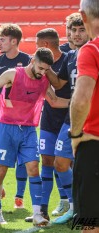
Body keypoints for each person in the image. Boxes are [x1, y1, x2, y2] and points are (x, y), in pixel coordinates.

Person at [0, 48, 69, 226]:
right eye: (41, 68)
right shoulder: (13, 74)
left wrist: (79, 101)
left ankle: (37, 214)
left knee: (34, 168)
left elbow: (55, 101)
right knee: (0, 171)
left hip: (28, 130)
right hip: (6, 128)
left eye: (46, 70)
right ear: (33, 60)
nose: (43, 73)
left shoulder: (43, 81)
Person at [45, 13, 89, 225]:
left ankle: (86, 209)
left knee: (89, 165)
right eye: (74, 30)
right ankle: (73, 207)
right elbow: (60, 82)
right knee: (60, 163)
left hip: (91, 117)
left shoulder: (94, 52)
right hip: (71, 117)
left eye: (81, 30)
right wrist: (43, 68)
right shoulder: (70, 56)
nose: (77, 34)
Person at [25, 28, 70, 222]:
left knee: (67, 164)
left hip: (68, 118)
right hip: (49, 119)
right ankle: (42, 209)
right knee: (47, 162)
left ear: (44, 45)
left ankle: (71, 202)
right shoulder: (38, 63)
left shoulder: (69, 60)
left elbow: (59, 88)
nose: (35, 49)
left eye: (37, 45)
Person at [0, 24, 30, 207]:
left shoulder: (27, 60)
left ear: (14, 41)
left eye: (2, 39)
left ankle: (19, 196)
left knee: (21, 155)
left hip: (20, 117)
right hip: (0, 115)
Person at [71, 1, 99, 232]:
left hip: (94, 145)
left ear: (83, 16)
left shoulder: (91, 49)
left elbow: (80, 101)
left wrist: (76, 134)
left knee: (90, 224)